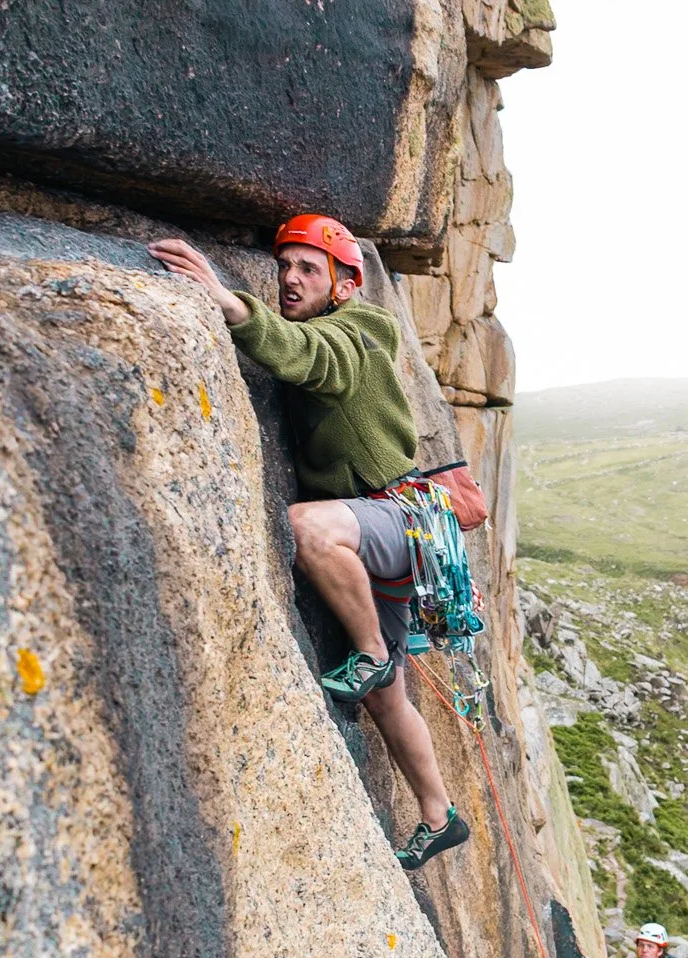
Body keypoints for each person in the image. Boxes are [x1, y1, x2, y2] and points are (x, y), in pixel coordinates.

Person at [148, 217, 469, 870]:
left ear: (345, 285)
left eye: (308, 269)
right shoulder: (331, 322)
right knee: (386, 696)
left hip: (394, 516)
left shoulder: (360, 333)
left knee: (306, 528)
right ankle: (439, 815)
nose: (290, 279)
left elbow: (314, 357)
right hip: (380, 531)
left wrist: (229, 302)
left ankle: (370, 652)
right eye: (284, 266)